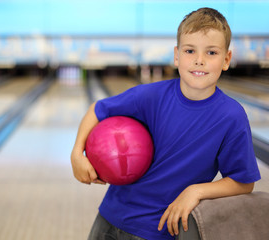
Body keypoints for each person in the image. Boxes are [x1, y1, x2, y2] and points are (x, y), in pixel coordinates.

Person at [71, 7, 261, 240]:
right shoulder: (151, 95)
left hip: (159, 231)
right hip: (110, 217)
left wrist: (196, 191)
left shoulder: (231, 116)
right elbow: (97, 110)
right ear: (177, 55)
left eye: (211, 53)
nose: (199, 61)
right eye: (190, 51)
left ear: (226, 59)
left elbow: (243, 182)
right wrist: (76, 154)